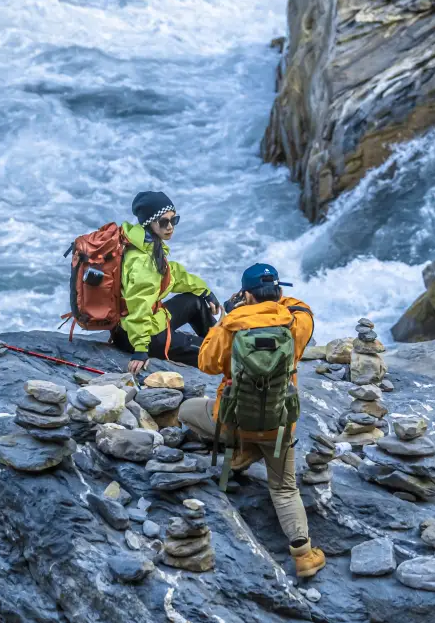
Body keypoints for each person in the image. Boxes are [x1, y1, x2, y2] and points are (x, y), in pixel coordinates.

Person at [178, 263, 326, 579]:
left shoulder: (231, 325)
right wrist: (276, 302)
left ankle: (242, 452)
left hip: (233, 422)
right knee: (285, 489)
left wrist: (228, 316)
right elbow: (305, 311)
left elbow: (205, 362)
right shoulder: (294, 324)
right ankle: (303, 555)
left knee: (186, 410)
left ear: (245, 295)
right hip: (279, 427)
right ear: (279, 293)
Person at [110, 191, 221, 375]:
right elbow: (139, 306)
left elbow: (172, 275)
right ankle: (218, 350)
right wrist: (140, 350)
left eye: (173, 220)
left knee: (195, 301)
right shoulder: (144, 262)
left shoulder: (145, 243)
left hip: (140, 325)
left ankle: (218, 339)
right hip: (142, 336)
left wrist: (205, 291)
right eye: (163, 222)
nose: (170, 227)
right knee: (218, 353)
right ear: (148, 222)